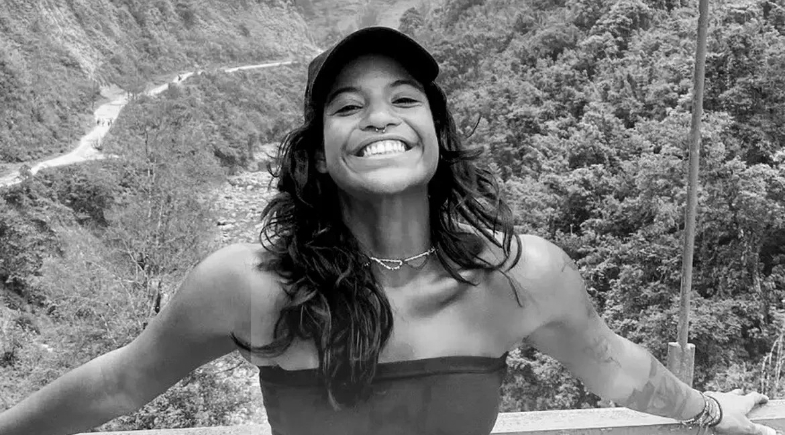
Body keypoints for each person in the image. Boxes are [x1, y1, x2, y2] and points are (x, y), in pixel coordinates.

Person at [0, 27, 776, 435]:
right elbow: (120, 382)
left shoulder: (517, 276)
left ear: (435, 134)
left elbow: (613, 365)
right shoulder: (250, 286)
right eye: (348, 106)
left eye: (404, 99)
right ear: (318, 153)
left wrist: (711, 411)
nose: (378, 116)